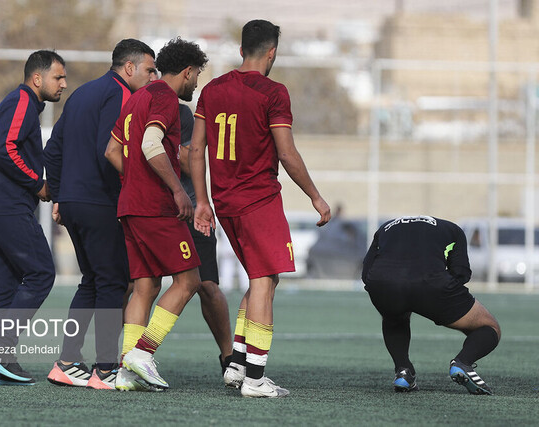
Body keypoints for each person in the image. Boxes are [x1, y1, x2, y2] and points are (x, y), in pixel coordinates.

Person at [190, 20, 331, 398]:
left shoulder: (213, 89)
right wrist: (315, 196)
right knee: (264, 283)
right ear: (272, 53)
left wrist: (202, 200)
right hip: (258, 200)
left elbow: (195, 148)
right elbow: (286, 152)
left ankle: (237, 363)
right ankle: (255, 379)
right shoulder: (273, 92)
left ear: (241, 51)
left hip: (225, 201)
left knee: (259, 278)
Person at [44, 39, 157, 391]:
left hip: (75, 203)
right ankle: (106, 369)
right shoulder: (122, 96)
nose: (153, 77)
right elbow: (108, 151)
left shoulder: (80, 95)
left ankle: (66, 362)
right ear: (129, 68)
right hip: (99, 202)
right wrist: (131, 192)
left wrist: (61, 196)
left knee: (92, 281)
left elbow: (52, 150)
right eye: (149, 70)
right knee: (113, 282)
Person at [105, 37, 208, 390]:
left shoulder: (136, 98)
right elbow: (151, 143)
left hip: (130, 206)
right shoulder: (164, 96)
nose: (196, 83)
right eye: (197, 76)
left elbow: (112, 150)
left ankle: (124, 371)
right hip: (155, 207)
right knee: (189, 280)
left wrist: (133, 181)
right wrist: (177, 189)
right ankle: (143, 353)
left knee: (145, 287)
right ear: (188, 71)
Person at [0, 50, 67, 386]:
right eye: (58, 77)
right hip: (3, 207)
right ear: (37, 78)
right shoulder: (22, 100)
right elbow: (5, 148)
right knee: (41, 273)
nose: (63, 84)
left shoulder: (24, 104)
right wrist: (36, 183)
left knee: (7, 285)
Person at [362, 215, 501, 395]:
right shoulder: (453, 229)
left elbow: (367, 268)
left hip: (382, 283)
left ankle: (403, 371)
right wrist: (442, 294)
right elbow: (461, 272)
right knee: (489, 327)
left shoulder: (385, 227)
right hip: (431, 283)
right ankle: (463, 363)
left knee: (393, 317)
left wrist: (380, 289)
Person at [178, 103, 233, 374]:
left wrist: (163, 148)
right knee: (136, 286)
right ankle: (117, 359)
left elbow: (191, 164)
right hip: (150, 214)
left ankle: (229, 357)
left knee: (208, 286)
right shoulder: (132, 109)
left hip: (190, 213)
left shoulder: (182, 114)